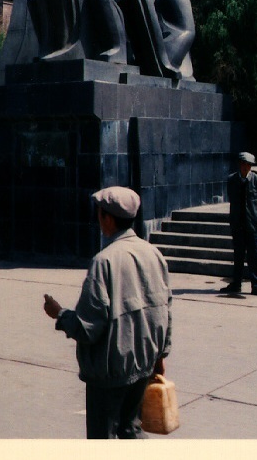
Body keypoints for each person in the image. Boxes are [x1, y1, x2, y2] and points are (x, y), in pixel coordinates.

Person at [43, 186, 172, 439]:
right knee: (131, 431)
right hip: (144, 365)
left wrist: (59, 314)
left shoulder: (104, 261)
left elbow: (87, 328)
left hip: (110, 372)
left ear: (108, 218)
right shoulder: (154, 254)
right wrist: (160, 356)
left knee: (104, 437)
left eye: (100, 214)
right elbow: (165, 312)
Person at [220, 152, 257, 297]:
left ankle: (256, 284)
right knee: (238, 254)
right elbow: (232, 199)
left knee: (254, 255)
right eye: (243, 164)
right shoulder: (232, 179)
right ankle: (236, 283)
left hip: (252, 222)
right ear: (239, 164)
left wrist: (253, 215)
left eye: (248, 165)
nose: (245, 167)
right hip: (237, 222)